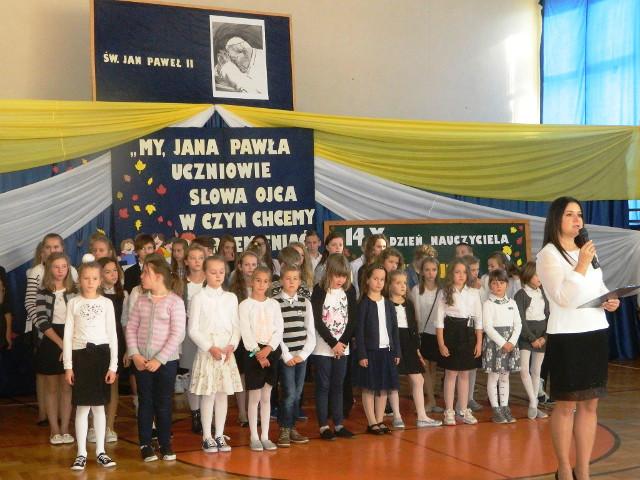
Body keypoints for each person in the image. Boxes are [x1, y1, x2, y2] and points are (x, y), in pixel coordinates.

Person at [536, 196, 619, 480]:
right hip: (567, 337)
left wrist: (610, 299)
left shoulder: (586, 250)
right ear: (556, 219)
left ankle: (583, 469)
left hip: (595, 331)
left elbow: (598, 286)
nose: (577, 219)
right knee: (566, 405)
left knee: (590, 404)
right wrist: (581, 264)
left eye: (579, 214)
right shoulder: (548, 255)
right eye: (570, 214)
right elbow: (562, 297)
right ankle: (563, 468)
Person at [126, 254, 186, 463]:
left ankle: (165, 443)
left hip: (166, 362)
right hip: (142, 361)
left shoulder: (175, 302)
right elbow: (131, 328)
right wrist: (135, 354)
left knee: (164, 403)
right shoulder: (141, 300)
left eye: (146, 272)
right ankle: (145, 444)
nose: (141, 276)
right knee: (145, 402)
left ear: (159, 277)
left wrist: (159, 359)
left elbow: (177, 334)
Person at [63, 260, 118, 471]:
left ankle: (101, 451)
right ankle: (81, 453)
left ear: (100, 280)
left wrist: (113, 366)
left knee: (99, 406)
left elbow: (112, 335)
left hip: (101, 356)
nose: (90, 282)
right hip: (80, 357)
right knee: (82, 406)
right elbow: (68, 336)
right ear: (79, 280)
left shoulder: (107, 303)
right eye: (86, 278)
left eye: (94, 278)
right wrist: (68, 366)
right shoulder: (73, 303)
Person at [188, 256, 242, 453]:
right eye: (213, 272)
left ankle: (219, 434)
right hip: (208, 353)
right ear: (205, 273)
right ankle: (207, 436)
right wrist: (210, 347)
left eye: (221, 272)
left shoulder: (231, 298)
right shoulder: (199, 298)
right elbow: (193, 329)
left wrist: (231, 346)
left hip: (226, 353)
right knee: (208, 394)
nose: (218, 276)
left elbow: (236, 327)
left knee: (222, 395)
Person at [25, 233, 78, 426]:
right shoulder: (37, 271)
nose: (52, 250)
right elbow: (31, 303)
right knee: (46, 377)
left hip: (68, 333)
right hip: (44, 330)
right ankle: (45, 415)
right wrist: (42, 326)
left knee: (65, 381)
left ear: (62, 249)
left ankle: (63, 422)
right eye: (48, 247)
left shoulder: (71, 271)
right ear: (42, 250)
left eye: (56, 247)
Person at [310, 253, 357, 440]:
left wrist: (342, 343)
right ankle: (323, 426)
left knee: (338, 385)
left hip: (342, 348)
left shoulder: (350, 291)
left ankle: (338, 424)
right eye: (337, 275)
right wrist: (333, 343)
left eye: (344, 276)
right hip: (323, 348)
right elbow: (317, 320)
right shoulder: (319, 290)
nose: (340, 280)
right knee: (323, 386)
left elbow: (351, 320)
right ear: (328, 272)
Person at [388, 270, 442, 428]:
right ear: (390, 285)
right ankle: (397, 416)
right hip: (394, 343)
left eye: (404, 283)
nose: (403, 286)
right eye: (398, 283)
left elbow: (413, 326)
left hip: (409, 343)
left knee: (418, 379)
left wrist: (417, 348)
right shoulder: (386, 304)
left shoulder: (408, 304)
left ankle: (422, 416)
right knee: (394, 380)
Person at [238, 267, 284, 451]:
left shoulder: (274, 305)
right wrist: (258, 353)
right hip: (253, 353)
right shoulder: (245, 305)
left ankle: (265, 435)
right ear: (252, 281)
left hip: (270, 350)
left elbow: (279, 329)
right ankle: (254, 436)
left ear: (270, 284)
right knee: (255, 396)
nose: (261, 284)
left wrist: (269, 348)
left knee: (266, 396)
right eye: (258, 280)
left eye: (265, 281)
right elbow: (245, 331)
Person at [34, 252, 77, 445]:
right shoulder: (43, 292)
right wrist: (61, 344)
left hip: (70, 338)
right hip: (51, 340)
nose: (60, 271)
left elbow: (78, 319)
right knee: (51, 388)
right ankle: (54, 430)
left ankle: (65, 429)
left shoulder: (74, 291)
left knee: (67, 387)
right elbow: (42, 322)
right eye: (56, 267)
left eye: (64, 267)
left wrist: (69, 345)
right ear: (49, 269)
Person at [435, 259, 483, 426]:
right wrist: (441, 343)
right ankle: (449, 411)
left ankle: (463, 409)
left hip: (468, 333)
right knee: (451, 373)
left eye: (464, 272)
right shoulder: (445, 292)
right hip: (451, 333)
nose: (461, 275)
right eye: (457, 272)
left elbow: (479, 320)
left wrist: (479, 342)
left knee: (465, 374)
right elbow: (439, 321)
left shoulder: (474, 292)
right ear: (451, 274)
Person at [274, 265, 316, 447]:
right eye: (288, 278)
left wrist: (303, 354)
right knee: (289, 393)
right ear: (281, 281)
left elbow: (310, 331)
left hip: (301, 357)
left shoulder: (305, 302)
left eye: (295, 279)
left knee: (297, 393)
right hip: (286, 357)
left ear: (300, 282)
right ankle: (284, 429)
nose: (291, 282)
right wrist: (286, 355)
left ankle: (292, 428)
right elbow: (276, 333)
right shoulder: (275, 303)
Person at [355, 264, 399, 435]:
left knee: (384, 387)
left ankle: (380, 420)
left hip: (386, 351)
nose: (379, 282)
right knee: (369, 387)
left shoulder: (388, 304)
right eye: (375, 278)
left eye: (382, 279)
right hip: (370, 352)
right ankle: (371, 421)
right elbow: (359, 331)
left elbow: (394, 330)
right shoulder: (364, 304)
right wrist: (362, 354)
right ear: (367, 280)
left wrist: (396, 351)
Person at [482, 269, 522, 424]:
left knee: (505, 377)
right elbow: (487, 327)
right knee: (494, 377)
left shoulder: (512, 303)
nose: (498, 286)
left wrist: (511, 342)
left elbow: (518, 324)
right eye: (494, 283)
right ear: (490, 286)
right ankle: (496, 409)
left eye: (501, 282)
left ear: (507, 284)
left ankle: (505, 407)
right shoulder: (488, 304)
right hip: (495, 344)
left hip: (510, 344)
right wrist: (503, 343)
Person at [97, 257, 129, 443]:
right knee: (96, 385)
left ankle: (109, 426)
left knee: (113, 384)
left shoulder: (123, 294)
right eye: (107, 271)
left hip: (116, 341)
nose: (113, 274)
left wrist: (127, 349)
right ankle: (94, 426)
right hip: (97, 342)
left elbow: (125, 323)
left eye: (115, 270)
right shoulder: (94, 295)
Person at [514, 261, 550, 420]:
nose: (539, 278)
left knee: (536, 370)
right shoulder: (521, 294)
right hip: (526, 335)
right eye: (536, 275)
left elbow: (549, 316)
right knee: (524, 369)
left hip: (541, 335)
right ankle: (533, 401)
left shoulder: (544, 293)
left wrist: (544, 337)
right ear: (528, 276)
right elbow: (520, 319)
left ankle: (533, 405)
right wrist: (531, 338)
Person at [229, 250, 260, 427]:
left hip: (258, 337)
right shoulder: (233, 289)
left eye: (254, 264)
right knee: (241, 375)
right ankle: (242, 412)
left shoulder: (262, 286)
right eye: (247, 264)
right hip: (240, 339)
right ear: (240, 266)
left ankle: (254, 411)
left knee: (255, 375)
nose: (250, 268)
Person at [410, 256, 443, 413]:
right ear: (422, 272)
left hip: (437, 333)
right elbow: (415, 314)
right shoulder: (417, 290)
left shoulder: (442, 291)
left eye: (434, 270)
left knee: (433, 367)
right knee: (425, 367)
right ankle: (430, 400)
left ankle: (431, 399)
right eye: (427, 270)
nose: (431, 273)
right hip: (422, 333)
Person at [180, 244, 207, 435]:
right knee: (192, 374)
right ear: (186, 261)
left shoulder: (211, 280)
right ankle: (195, 413)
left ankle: (207, 414)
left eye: (200, 258)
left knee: (207, 374)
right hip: (189, 333)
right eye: (193, 258)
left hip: (208, 333)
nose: (197, 261)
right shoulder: (182, 284)